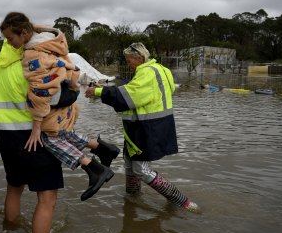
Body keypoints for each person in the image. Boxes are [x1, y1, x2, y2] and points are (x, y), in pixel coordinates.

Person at [0, 12, 120, 201]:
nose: (8, 42)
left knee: (46, 137)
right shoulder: (51, 40)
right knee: (59, 130)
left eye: (10, 38)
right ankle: (102, 148)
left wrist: (36, 127)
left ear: (23, 33)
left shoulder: (33, 54)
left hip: (56, 95)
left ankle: (92, 168)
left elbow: (40, 90)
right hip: (69, 89)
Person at [85, 42, 199, 212]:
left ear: (138, 57)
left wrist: (98, 92)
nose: (127, 63)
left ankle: (183, 202)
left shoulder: (146, 73)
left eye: (129, 59)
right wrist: (107, 89)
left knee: (141, 169)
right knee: (130, 164)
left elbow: (130, 96)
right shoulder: (161, 69)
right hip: (151, 126)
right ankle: (132, 199)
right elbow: (137, 90)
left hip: (146, 128)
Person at [0, 39, 63, 233]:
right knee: (47, 198)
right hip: (36, 138)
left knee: (14, 188)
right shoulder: (35, 66)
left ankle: (10, 229)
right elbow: (56, 99)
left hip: (6, 138)